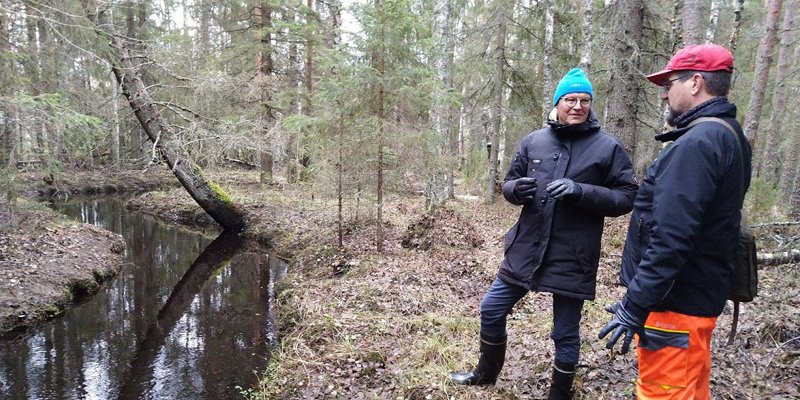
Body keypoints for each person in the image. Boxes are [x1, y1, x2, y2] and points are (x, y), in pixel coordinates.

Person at [449, 67, 638, 399]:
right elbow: (508, 183)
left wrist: (581, 191)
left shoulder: (608, 147)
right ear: (558, 102)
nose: (578, 106)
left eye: (584, 100)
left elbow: (627, 197)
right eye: (570, 99)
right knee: (491, 309)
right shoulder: (534, 140)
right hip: (526, 247)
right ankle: (485, 373)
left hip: (573, 253)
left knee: (564, 333)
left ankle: (560, 394)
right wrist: (514, 191)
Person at [599, 44, 752, 399]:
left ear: (696, 82)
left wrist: (634, 305)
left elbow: (670, 236)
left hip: (676, 306)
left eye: (671, 83)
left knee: (663, 393)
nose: (666, 93)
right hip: (697, 298)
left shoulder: (697, 144)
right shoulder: (730, 135)